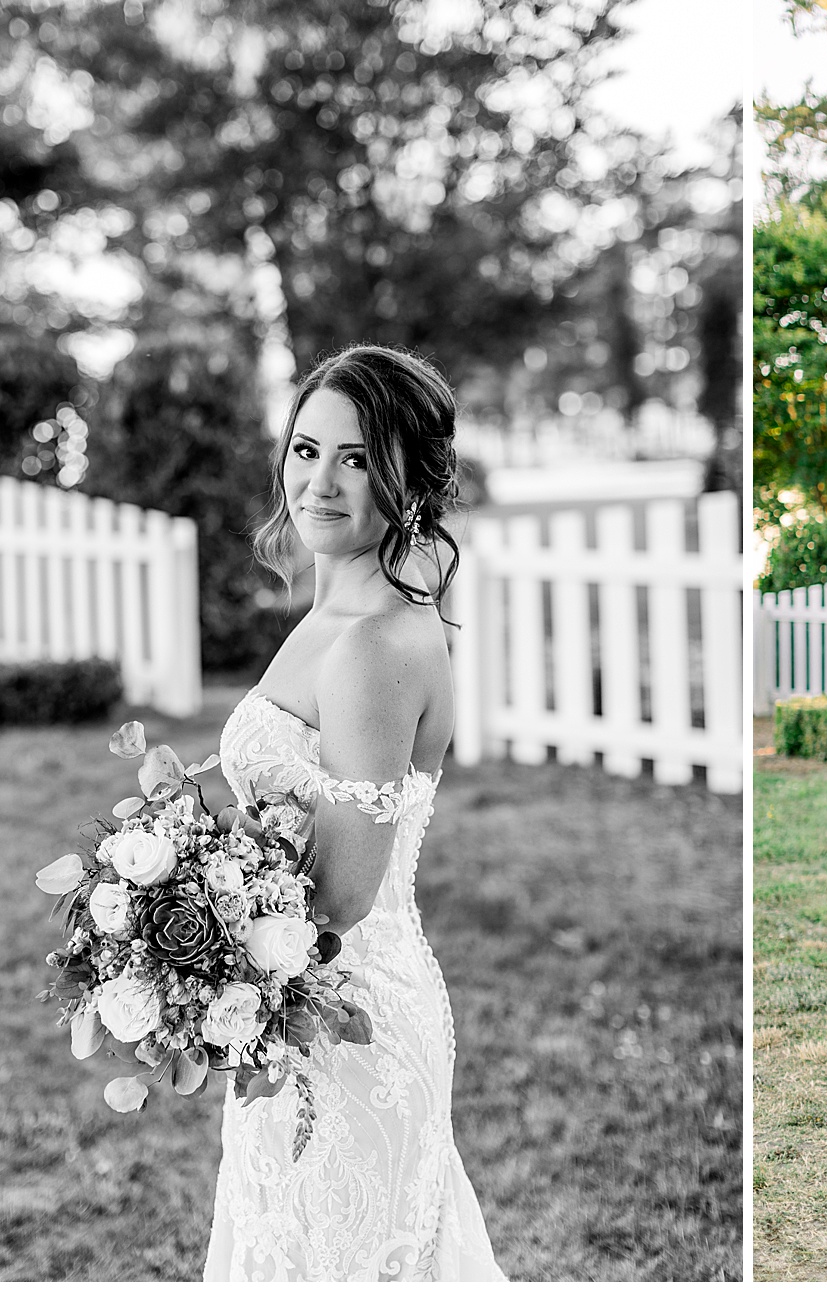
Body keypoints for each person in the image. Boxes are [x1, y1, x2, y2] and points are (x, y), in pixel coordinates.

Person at [203, 345, 506, 1279]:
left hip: (347, 1025)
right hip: (295, 1008)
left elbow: (340, 894)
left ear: (410, 474)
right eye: (306, 450)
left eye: (357, 457)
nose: (320, 483)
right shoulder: (336, 614)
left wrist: (180, 914)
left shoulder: (376, 643)